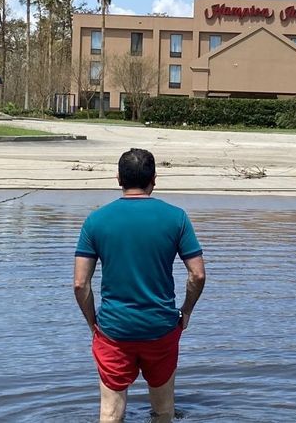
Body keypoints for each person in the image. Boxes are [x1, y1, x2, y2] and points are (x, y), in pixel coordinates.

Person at [73, 148, 206, 423]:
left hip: (114, 330)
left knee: (110, 412)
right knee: (163, 410)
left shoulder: (96, 220)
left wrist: (92, 324)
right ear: (154, 179)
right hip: (161, 328)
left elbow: (79, 284)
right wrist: (186, 311)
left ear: (118, 179)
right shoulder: (176, 218)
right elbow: (197, 275)